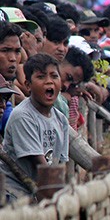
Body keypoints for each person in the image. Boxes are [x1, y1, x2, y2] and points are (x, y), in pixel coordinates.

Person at [0, 53, 69, 203]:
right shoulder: (23, 116)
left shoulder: (61, 120)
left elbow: (61, 165)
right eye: (41, 77)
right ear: (28, 85)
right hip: (14, 194)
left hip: (39, 191)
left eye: (54, 76)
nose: (49, 82)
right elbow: (41, 165)